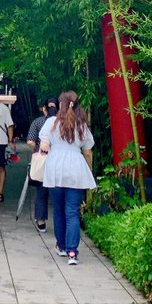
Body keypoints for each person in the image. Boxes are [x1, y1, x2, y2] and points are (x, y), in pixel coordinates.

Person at [39, 90, 96, 264]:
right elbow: (88, 150)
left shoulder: (51, 122)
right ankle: (72, 252)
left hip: (56, 168)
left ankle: (62, 246)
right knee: (72, 211)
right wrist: (89, 171)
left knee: (58, 209)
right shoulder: (82, 125)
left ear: (60, 105)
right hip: (76, 168)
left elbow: (44, 146)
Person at [26, 98, 57, 231]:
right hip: (57, 159)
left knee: (41, 190)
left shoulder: (38, 122)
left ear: (43, 108)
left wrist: (36, 150)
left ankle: (41, 220)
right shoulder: (62, 123)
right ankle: (60, 221)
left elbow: (30, 141)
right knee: (57, 191)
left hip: (43, 158)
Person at [0, 97, 15, 202]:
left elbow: (10, 125)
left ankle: (0, 192)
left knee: (1, 167)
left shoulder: (4, 108)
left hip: (1, 142)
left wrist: (10, 141)